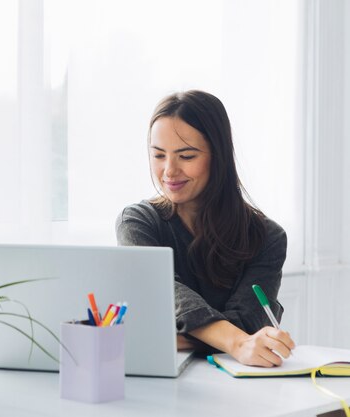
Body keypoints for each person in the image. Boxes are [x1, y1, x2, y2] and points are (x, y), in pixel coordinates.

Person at [115, 90, 295, 367]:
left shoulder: (268, 237)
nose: (169, 171)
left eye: (186, 156)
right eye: (159, 155)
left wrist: (169, 335)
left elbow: (249, 321)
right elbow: (165, 289)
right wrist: (235, 341)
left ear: (218, 156)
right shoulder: (138, 222)